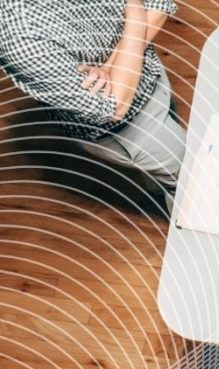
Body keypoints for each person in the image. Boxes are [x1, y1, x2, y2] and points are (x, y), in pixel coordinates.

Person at [0, 0, 184, 211]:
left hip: (151, 72)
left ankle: (160, 184)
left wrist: (110, 66)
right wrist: (135, 12)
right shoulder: (20, 37)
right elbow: (114, 106)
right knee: (190, 182)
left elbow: (159, 4)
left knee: (168, 172)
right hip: (132, 129)